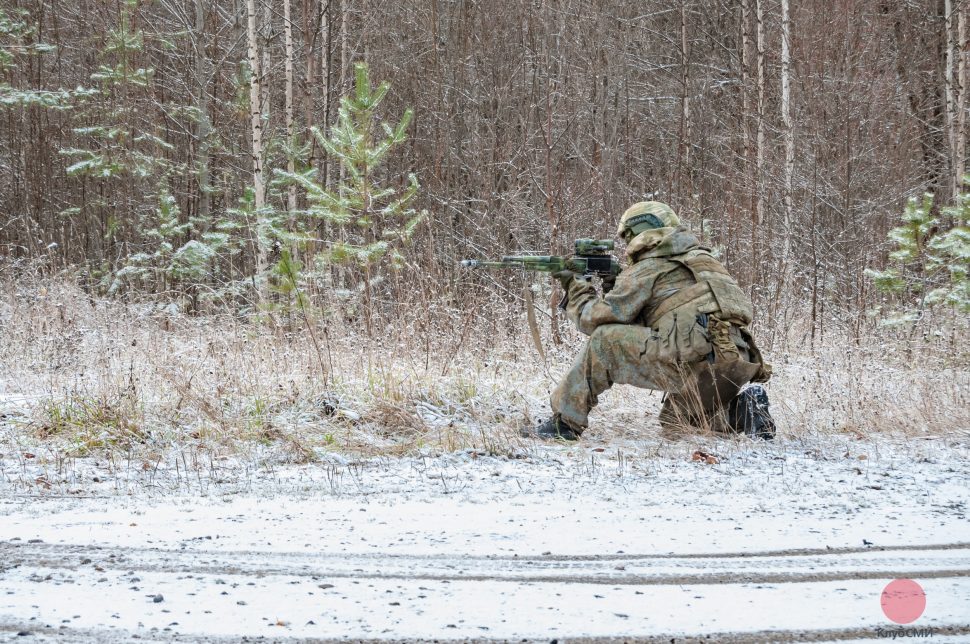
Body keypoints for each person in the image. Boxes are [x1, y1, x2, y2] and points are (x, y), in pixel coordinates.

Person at [522, 201, 776, 441]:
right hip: (735, 360)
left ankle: (564, 424)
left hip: (690, 357)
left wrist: (575, 284)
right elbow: (667, 315)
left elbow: (593, 320)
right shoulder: (703, 262)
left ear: (640, 232)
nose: (627, 244)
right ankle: (745, 411)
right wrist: (616, 283)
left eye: (628, 236)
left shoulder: (651, 265)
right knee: (677, 421)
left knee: (605, 341)